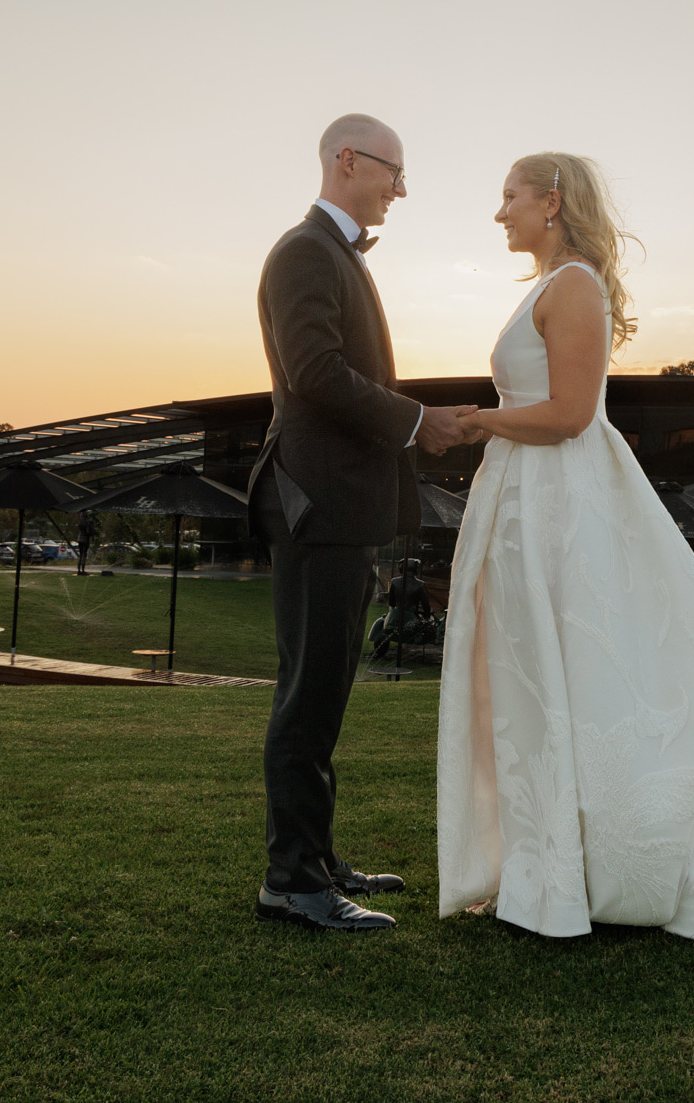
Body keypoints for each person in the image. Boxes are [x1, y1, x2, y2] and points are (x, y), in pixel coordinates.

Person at [436, 152, 694, 941]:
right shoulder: (548, 287)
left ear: (552, 202)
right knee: (530, 678)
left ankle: (597, 868)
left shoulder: (574, 286)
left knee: (575, 674)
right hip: (524, 504)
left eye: (510, 196)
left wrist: (480, 421)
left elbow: (569, 414)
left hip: (556, 507)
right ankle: (541, 868)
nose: (500, 212)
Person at [248, 113, 474, 932]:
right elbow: (316, 372)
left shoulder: (333, 254)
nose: (400, 189)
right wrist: (417, 421)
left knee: (327, 687)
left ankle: (317, 858)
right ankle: (292, 881)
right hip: (320, 508)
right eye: (393, 171)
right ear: (348, 159)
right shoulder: (304, 252)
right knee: (308, 695)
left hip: (341, 508)